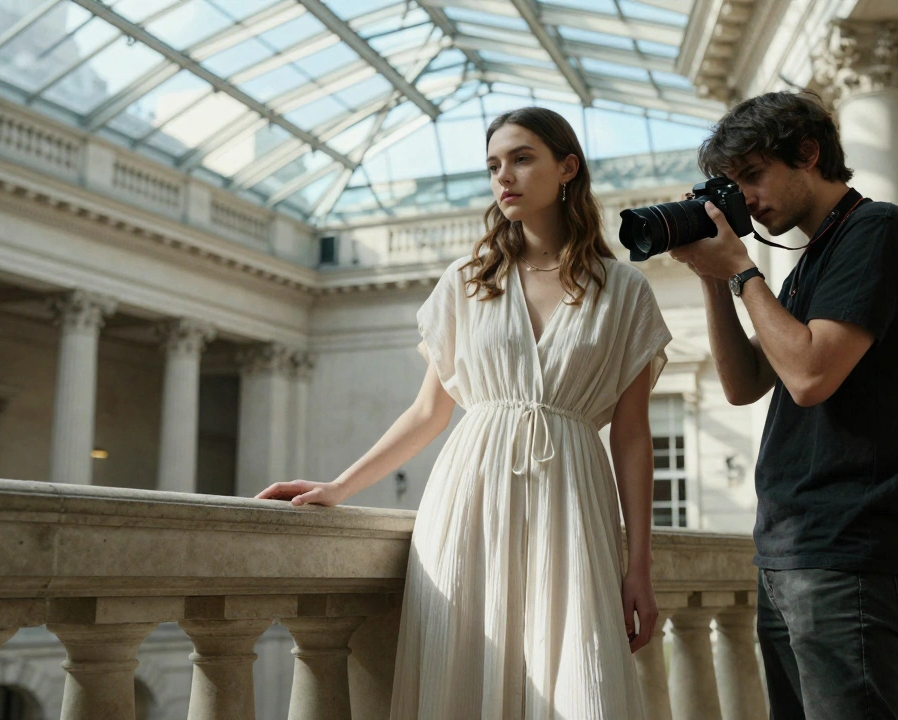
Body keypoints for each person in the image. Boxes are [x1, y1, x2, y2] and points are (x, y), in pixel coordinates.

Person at [257, 107, 671, 720]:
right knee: (464, 679)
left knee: (583, 683)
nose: (504, 176)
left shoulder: (625, 290)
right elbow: (428, 412)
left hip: (574, 506)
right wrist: (340, 486)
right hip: (471, 503)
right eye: (493, 165)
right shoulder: (468, 281)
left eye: (522, 159)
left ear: (567, 168)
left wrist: (639, 565)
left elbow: (633, 437)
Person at [668, 91, 898, 719]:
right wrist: (713, 278)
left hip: (850, 545)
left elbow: (809, 375)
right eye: (734, 185)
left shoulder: (877, 231)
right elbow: (743, 384)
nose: (746, 199)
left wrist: (742, 270)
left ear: (809, 154)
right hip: (793, 546)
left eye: (753, 175)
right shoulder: (814, 259)